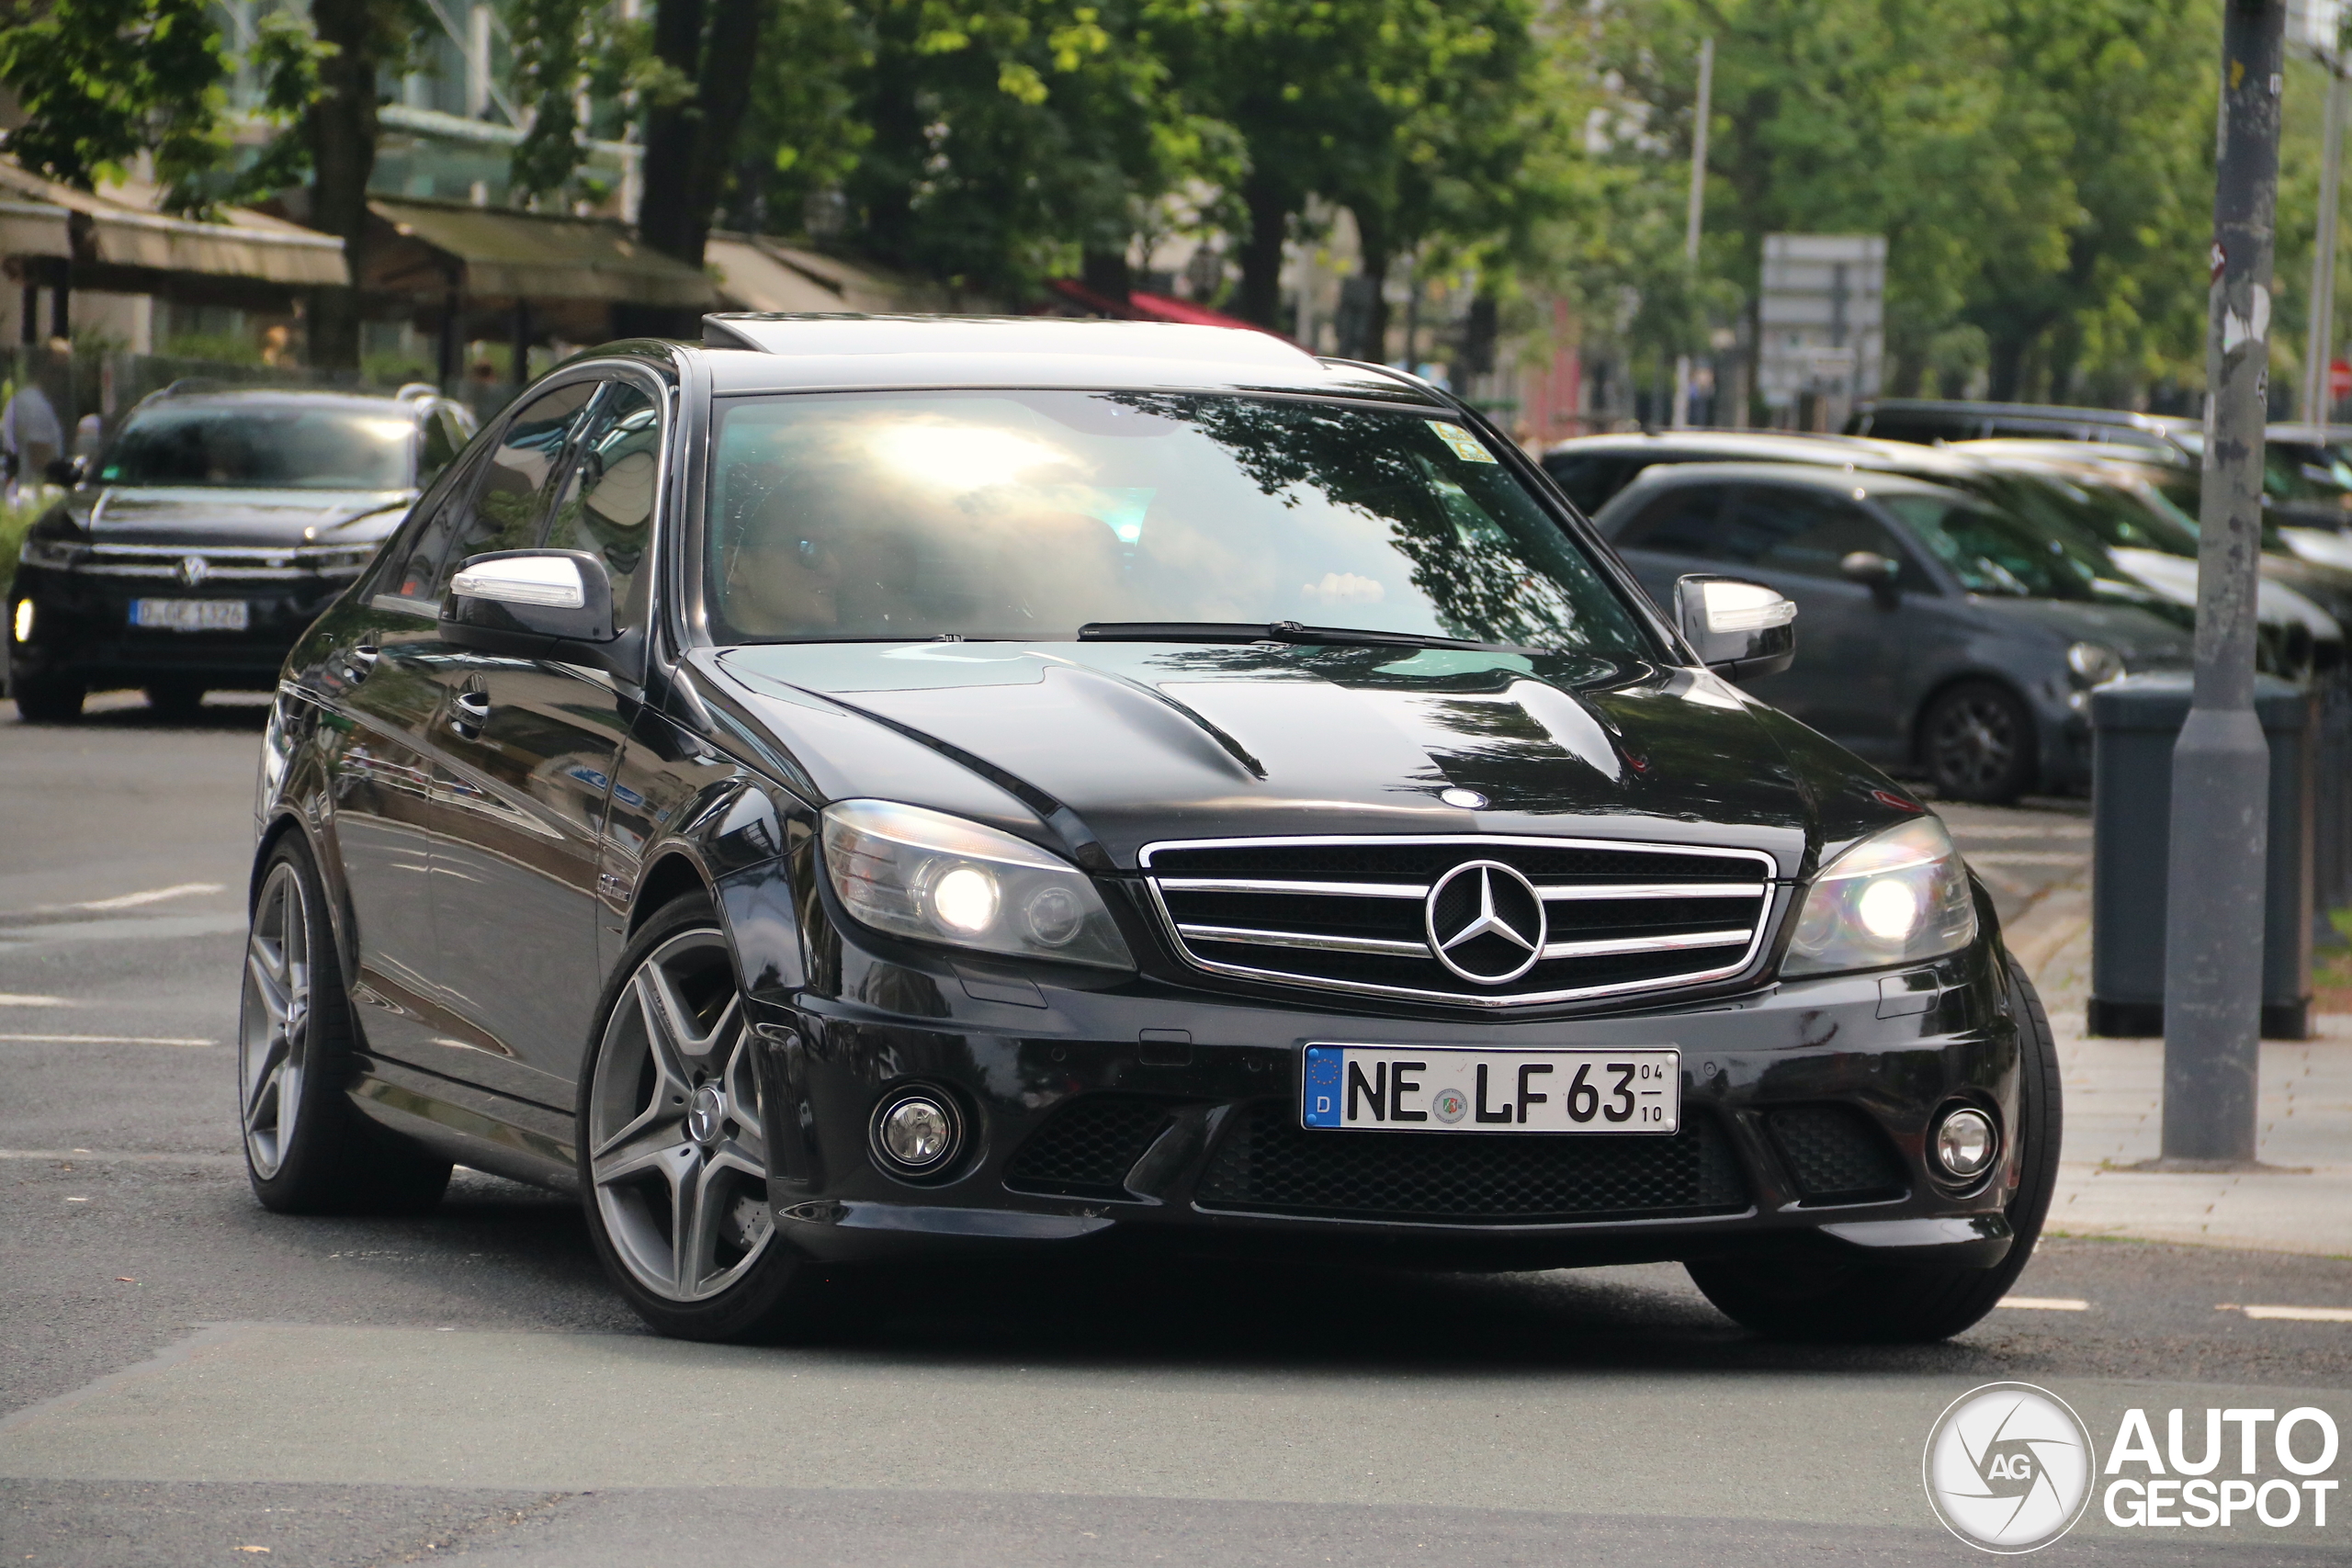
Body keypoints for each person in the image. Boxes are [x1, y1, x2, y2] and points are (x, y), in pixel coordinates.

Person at [1, 369, 62, 502]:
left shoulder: (27, 399)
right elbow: (40, 459)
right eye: (60, 371)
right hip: (30, 497)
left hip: (24, 493)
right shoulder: (34, 405)